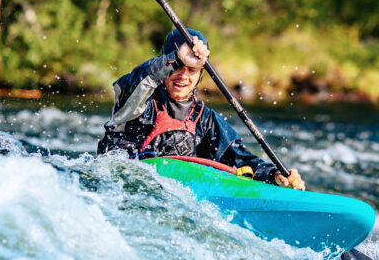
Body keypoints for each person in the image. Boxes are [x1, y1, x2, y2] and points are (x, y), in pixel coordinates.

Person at [98, 29, 306, 190]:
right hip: (123, 188)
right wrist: (178, 58)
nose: (183, 76)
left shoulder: (205, 119)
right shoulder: (138, 103)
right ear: (166, 66)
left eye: (192, 70)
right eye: (178, 68)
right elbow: (132, 84)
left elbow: (240, 160)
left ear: (200, 75)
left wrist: (273, 174)